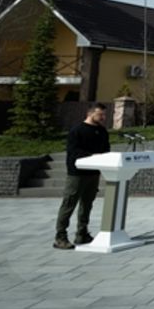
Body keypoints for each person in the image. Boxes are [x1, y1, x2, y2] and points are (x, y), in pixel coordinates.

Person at [54, 102, 110, 249]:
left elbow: (106, 150)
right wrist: (93, 155)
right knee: (69, 204)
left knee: (87, 204)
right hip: (77, 174)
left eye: (104, 114)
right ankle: (60, 237)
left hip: (94, 173)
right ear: (90, 113)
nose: (103, 117)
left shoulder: (102, 131)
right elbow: (73, 152)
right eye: (100, 114)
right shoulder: (77, 130)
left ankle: (82, 233)